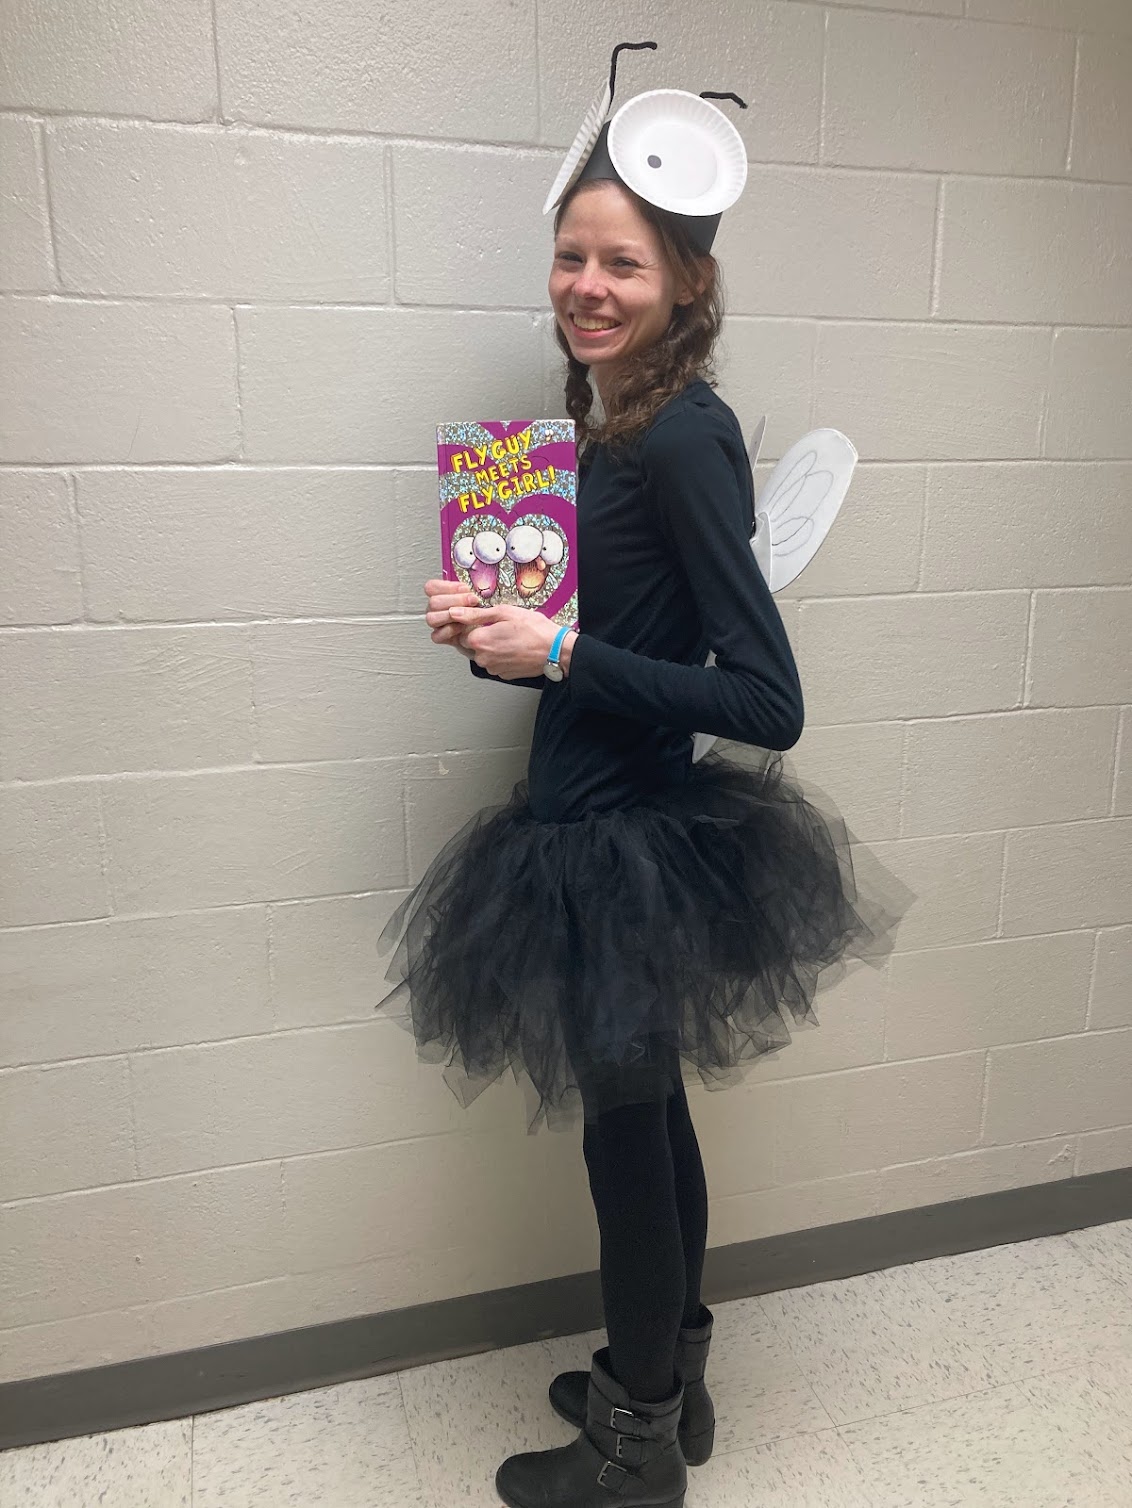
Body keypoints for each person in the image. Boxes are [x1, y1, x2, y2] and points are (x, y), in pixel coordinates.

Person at [377, 60, 903, 1508]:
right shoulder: (596, 416)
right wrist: (503, 645)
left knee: (626, 1143)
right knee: (650, 1117)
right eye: (571, 254)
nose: (588, 284)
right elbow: (599, 646)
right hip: (588, 820)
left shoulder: (680, 434)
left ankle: (635, 1444)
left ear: (687, 281)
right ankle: (670, 1370)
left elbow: (765, 701)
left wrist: (563, 649)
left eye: (624, 263)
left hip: (627, 840)